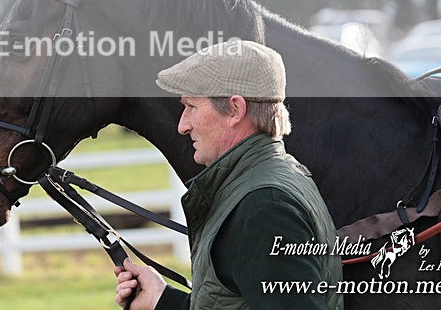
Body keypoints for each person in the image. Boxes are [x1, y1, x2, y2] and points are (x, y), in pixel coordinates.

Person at [115, 39, 343, 309]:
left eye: (191, 106)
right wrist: (160, 300)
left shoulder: (265, 206)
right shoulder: (269, 181)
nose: (182, 126)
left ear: (235, 109)